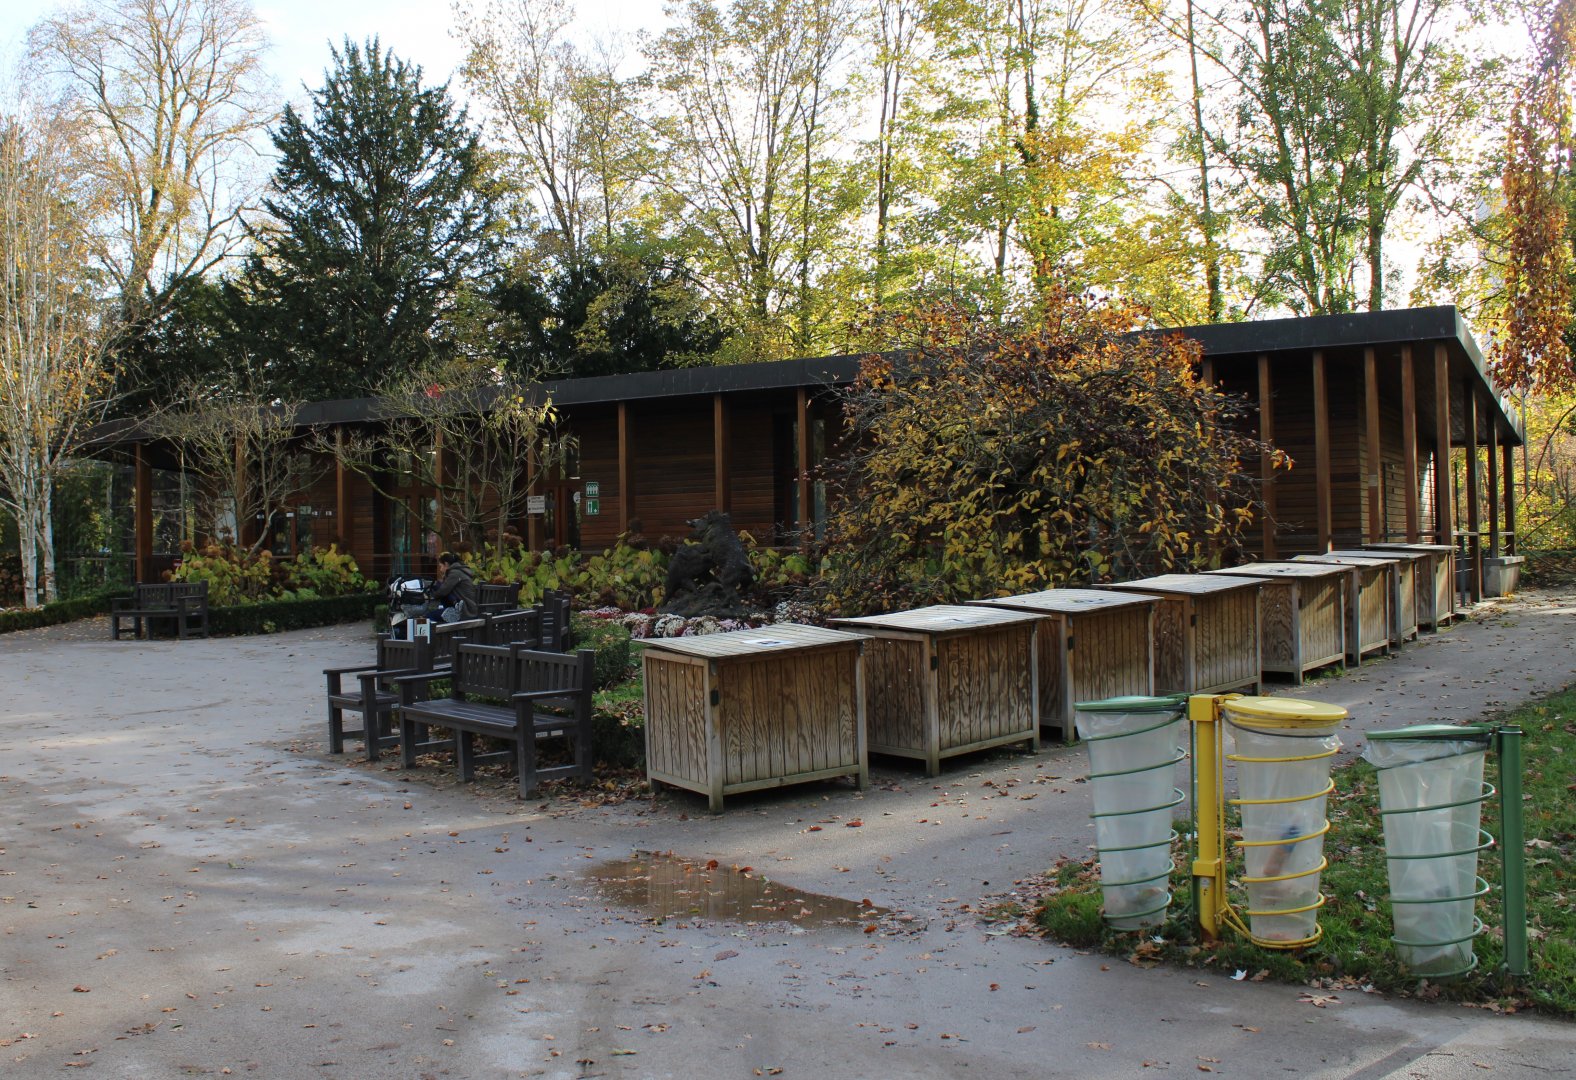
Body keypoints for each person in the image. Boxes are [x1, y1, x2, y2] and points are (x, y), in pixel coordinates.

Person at [426, 551, 478, 623]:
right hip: (466, 608)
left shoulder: (455, 573)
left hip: (464, 611)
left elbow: (442, 591)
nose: (440, 570)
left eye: (441, 566)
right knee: (435, 614)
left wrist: (430, 596)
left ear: (446, 564)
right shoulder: (458, 571)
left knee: (429, 616)